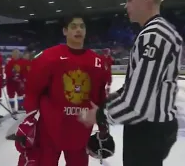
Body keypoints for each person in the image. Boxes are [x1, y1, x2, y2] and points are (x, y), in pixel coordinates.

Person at [80, 0, 183, 165]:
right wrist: (108, 102)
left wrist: (99, 115)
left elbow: (136, 106)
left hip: (147, 131)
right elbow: (137, 86)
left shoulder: (154, 36)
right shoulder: (161, 31)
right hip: (155, 128)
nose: (126, 5)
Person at [15, 15, 113, 166]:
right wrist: (29, 120)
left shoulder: (97, 62)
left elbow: (99, 98)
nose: (78, 29)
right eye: (73, 26)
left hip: (80, 132)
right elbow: (33, 91)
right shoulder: (48, 57)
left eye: (82, 26)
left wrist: (103, 125)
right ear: (65, 31)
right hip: (50, 129)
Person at [5, 49, 25, 113]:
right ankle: (13, 109)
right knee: (11, 95)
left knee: (20, 94)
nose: (16, 54)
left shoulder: (21, 61)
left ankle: (20, 107)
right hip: (11, 82)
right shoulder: (9, 61)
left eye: (17, 53)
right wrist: (13, 77)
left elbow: (22, 71)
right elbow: (7, 72)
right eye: (15, 53)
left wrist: (22, 80)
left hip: (18, 82)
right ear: (12, 54)